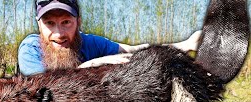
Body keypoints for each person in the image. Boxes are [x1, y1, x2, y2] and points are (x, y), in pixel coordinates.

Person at [18, 0, 201, 76]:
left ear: (78, 22)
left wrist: (184, 45)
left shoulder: (88, 43)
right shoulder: (30, 49)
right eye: (49, 23)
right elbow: (45, 93)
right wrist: (95, 64)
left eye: (66, 22)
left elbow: (133, 50)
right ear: (39, 25)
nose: (58, 34)